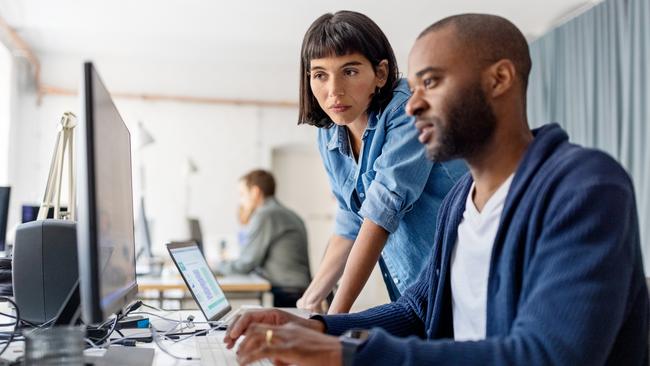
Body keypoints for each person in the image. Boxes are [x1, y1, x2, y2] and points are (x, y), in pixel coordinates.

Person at [223, 14, 649, 366]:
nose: (411, 105)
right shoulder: (460, 203)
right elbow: (415, 311)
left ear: (499, 79)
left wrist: (346, 351)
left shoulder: (585, 187)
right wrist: (311, 325)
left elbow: (548, 356)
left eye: (432, 82)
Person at [296, 10, 467, 314]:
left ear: (381, 74)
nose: (333, 90)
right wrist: (310, 301)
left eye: (349, 71)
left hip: (463, 283)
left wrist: (333, 319)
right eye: (320, 74)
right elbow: (351, 220)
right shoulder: (329, 133)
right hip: (416, 295)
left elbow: (381, 211)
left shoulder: (409, 111)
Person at [215, 169, 311, 307]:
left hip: (286, 292)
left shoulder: (266, 215)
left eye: (242, 194)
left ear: (255, 192)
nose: (241, 201)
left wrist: (217, 266)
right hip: (298, 289)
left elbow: (246, 263)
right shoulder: (287, 213)